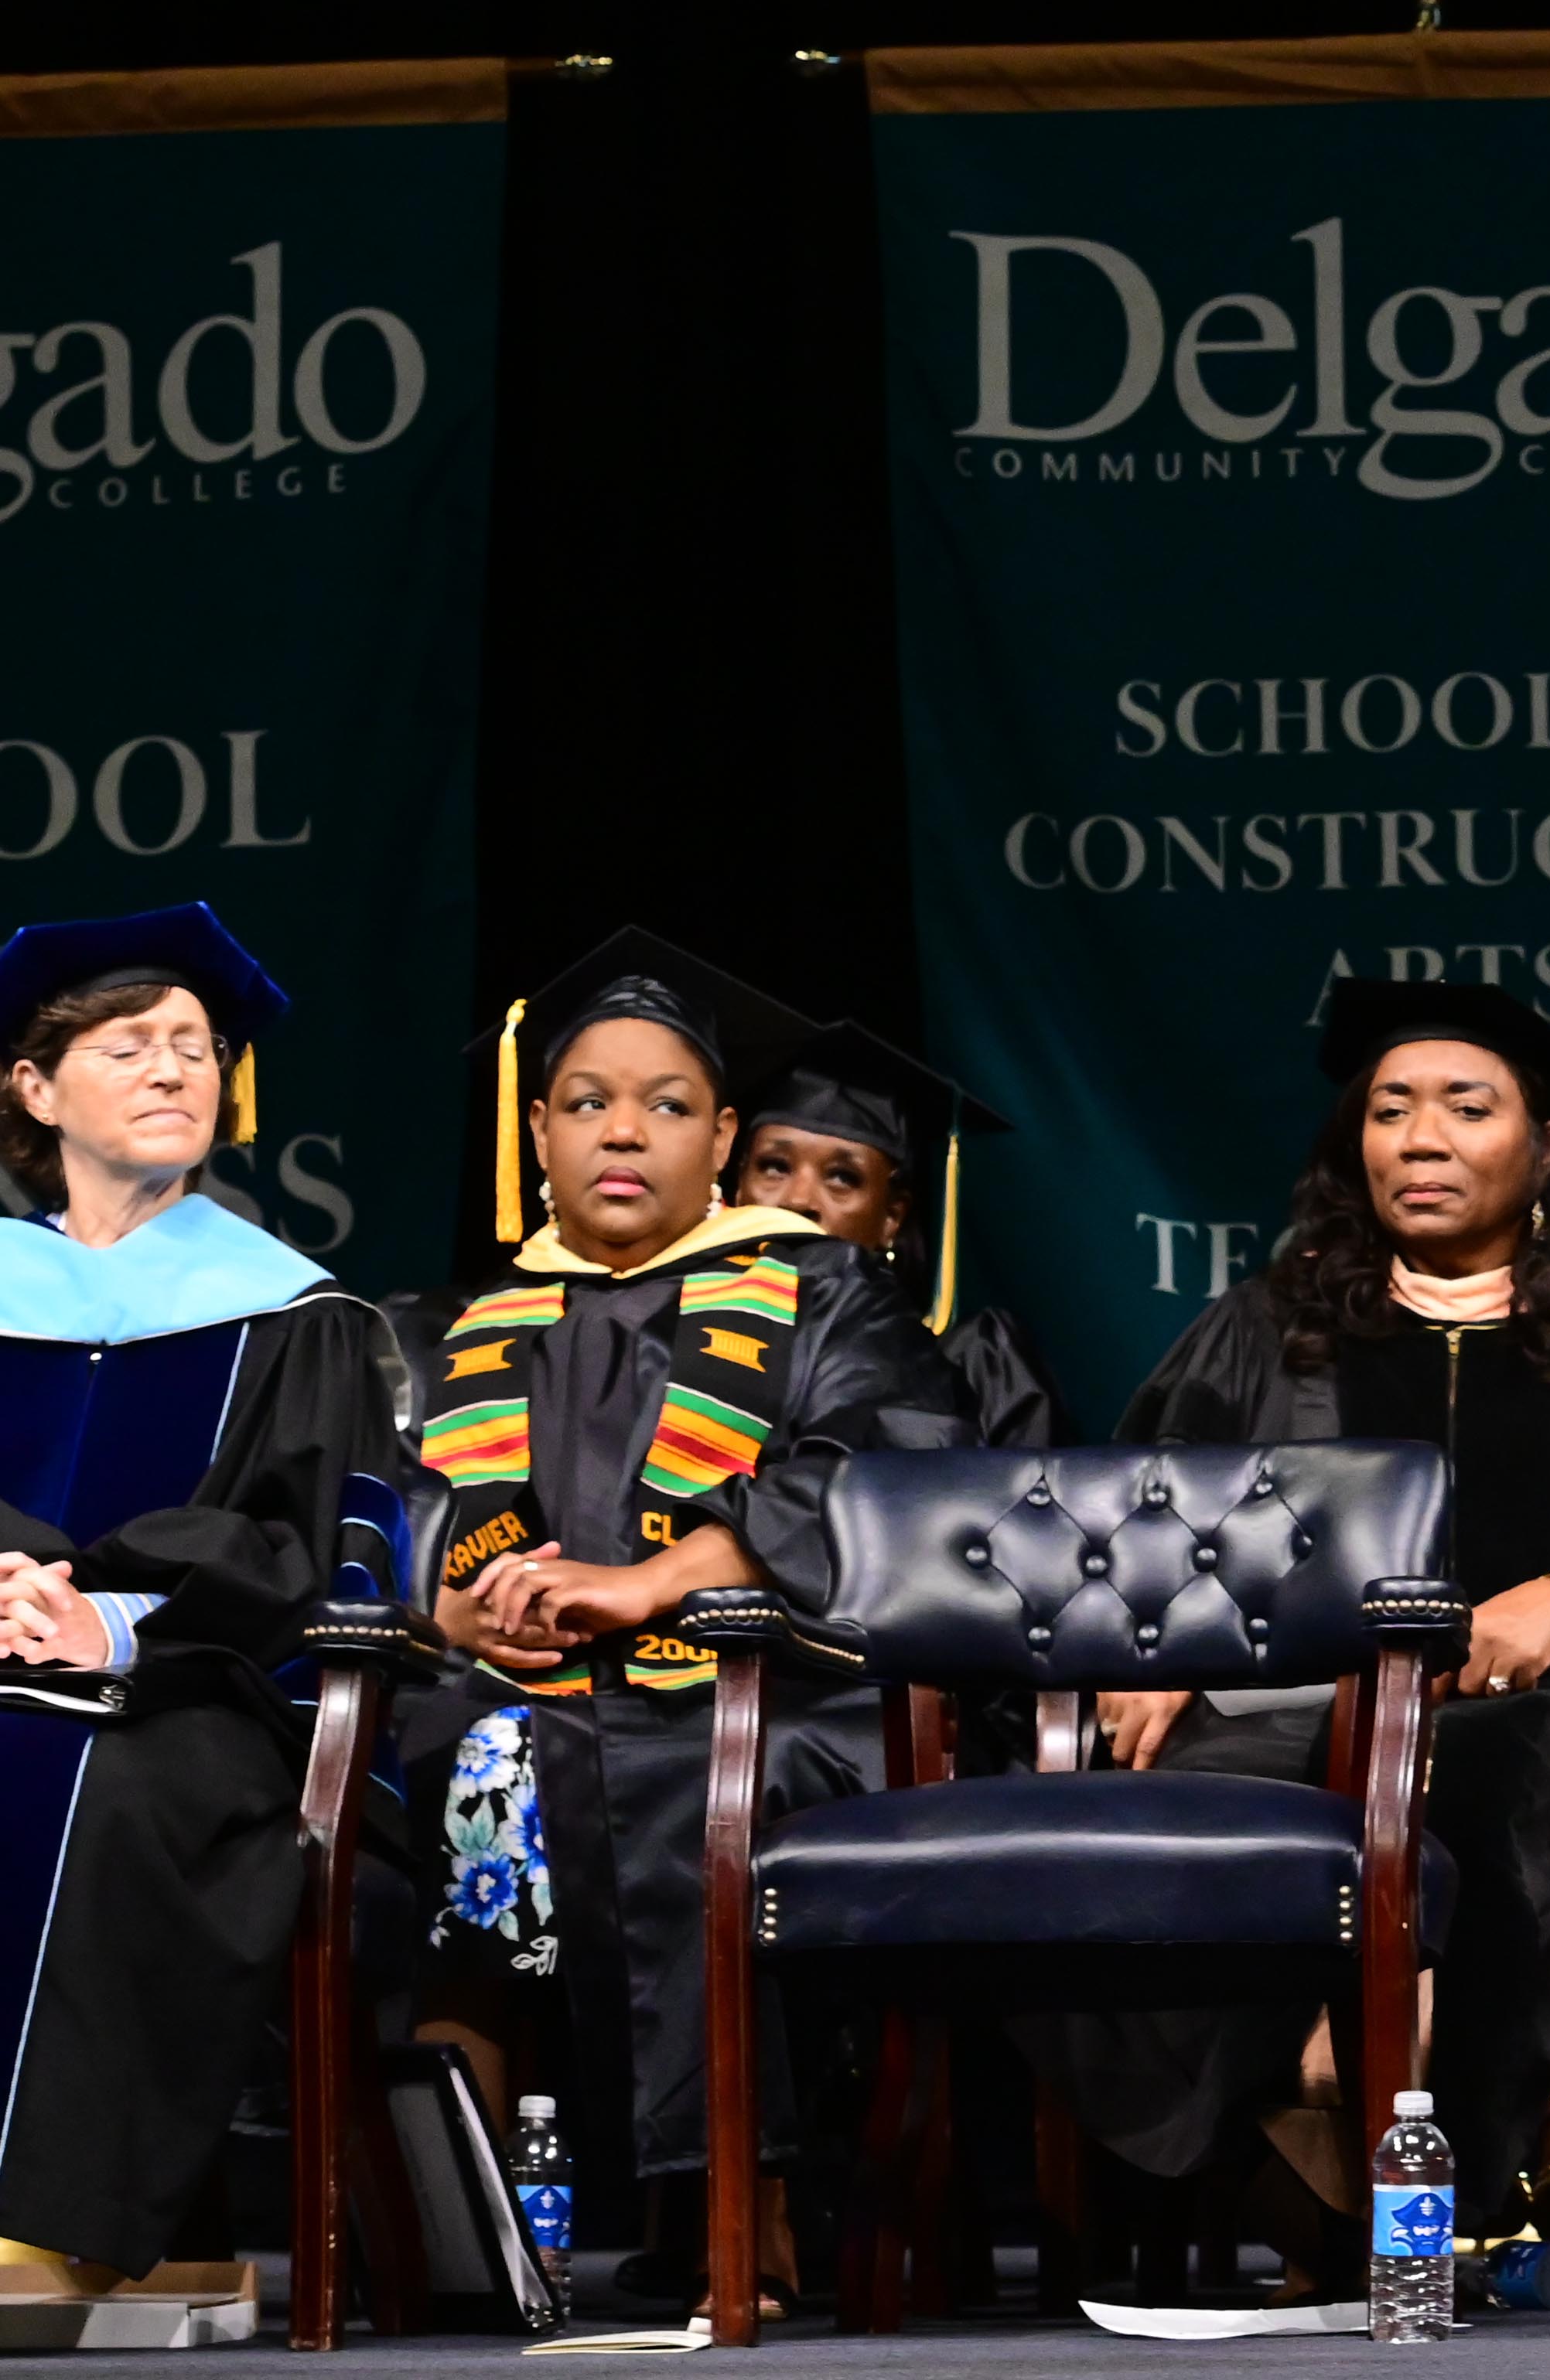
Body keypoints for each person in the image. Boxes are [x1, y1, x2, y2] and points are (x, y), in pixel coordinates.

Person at [1070, 980, 1550, 2262]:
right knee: (1166, 1788)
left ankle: (1420, 2176)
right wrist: (1159, 1647)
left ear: (1549, 1145)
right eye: (1391, 1109)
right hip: (1285, 1709)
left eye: (1466, 1106)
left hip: (1542, 1723)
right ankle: (1281, 2120)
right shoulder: (1271, 1326)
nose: (1422, 1138)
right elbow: (1143, 1511)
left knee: (1480, 1762)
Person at [401, 932, 973, 2317]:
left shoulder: (820, 1291)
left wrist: (665, 1578)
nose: (623, 1131)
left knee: (670, 1765)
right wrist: (455, 1603)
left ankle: (735, 2205)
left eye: (666, 1105)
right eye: (586, 1100)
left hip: (770, 1687)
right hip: (513, 1691)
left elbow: (885, 1467)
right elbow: (390, 1512)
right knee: (433, 1766)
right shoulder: (461, 1321)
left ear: (720, 1139)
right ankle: (456, 2227)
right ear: (537, 1132)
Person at [0, 905, 403, 2283]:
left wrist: (111, 1622)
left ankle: (55, 2223)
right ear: (36, 1088)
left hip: (194, 1697)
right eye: (128, 1046)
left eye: (196, 1044)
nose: (174, 1066)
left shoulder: (293, 1311)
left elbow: (309, 1549)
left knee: (99, 1781)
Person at [735, 1020, 1061, 1447]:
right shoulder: (670, 1331)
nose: (799, 1200)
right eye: (775, 1167)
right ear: (737, 1188)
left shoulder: (975, 1364)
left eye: (842, 1177)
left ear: (892, 1216)